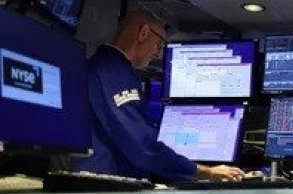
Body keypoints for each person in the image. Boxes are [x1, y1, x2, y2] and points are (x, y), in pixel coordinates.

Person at [72, 11, 244, 182]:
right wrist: (205, 172)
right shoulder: (114, 73)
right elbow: (141, 145)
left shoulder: (99, 66)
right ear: (144, 33)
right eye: (159, 43)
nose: (158, 53)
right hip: (105, 183)